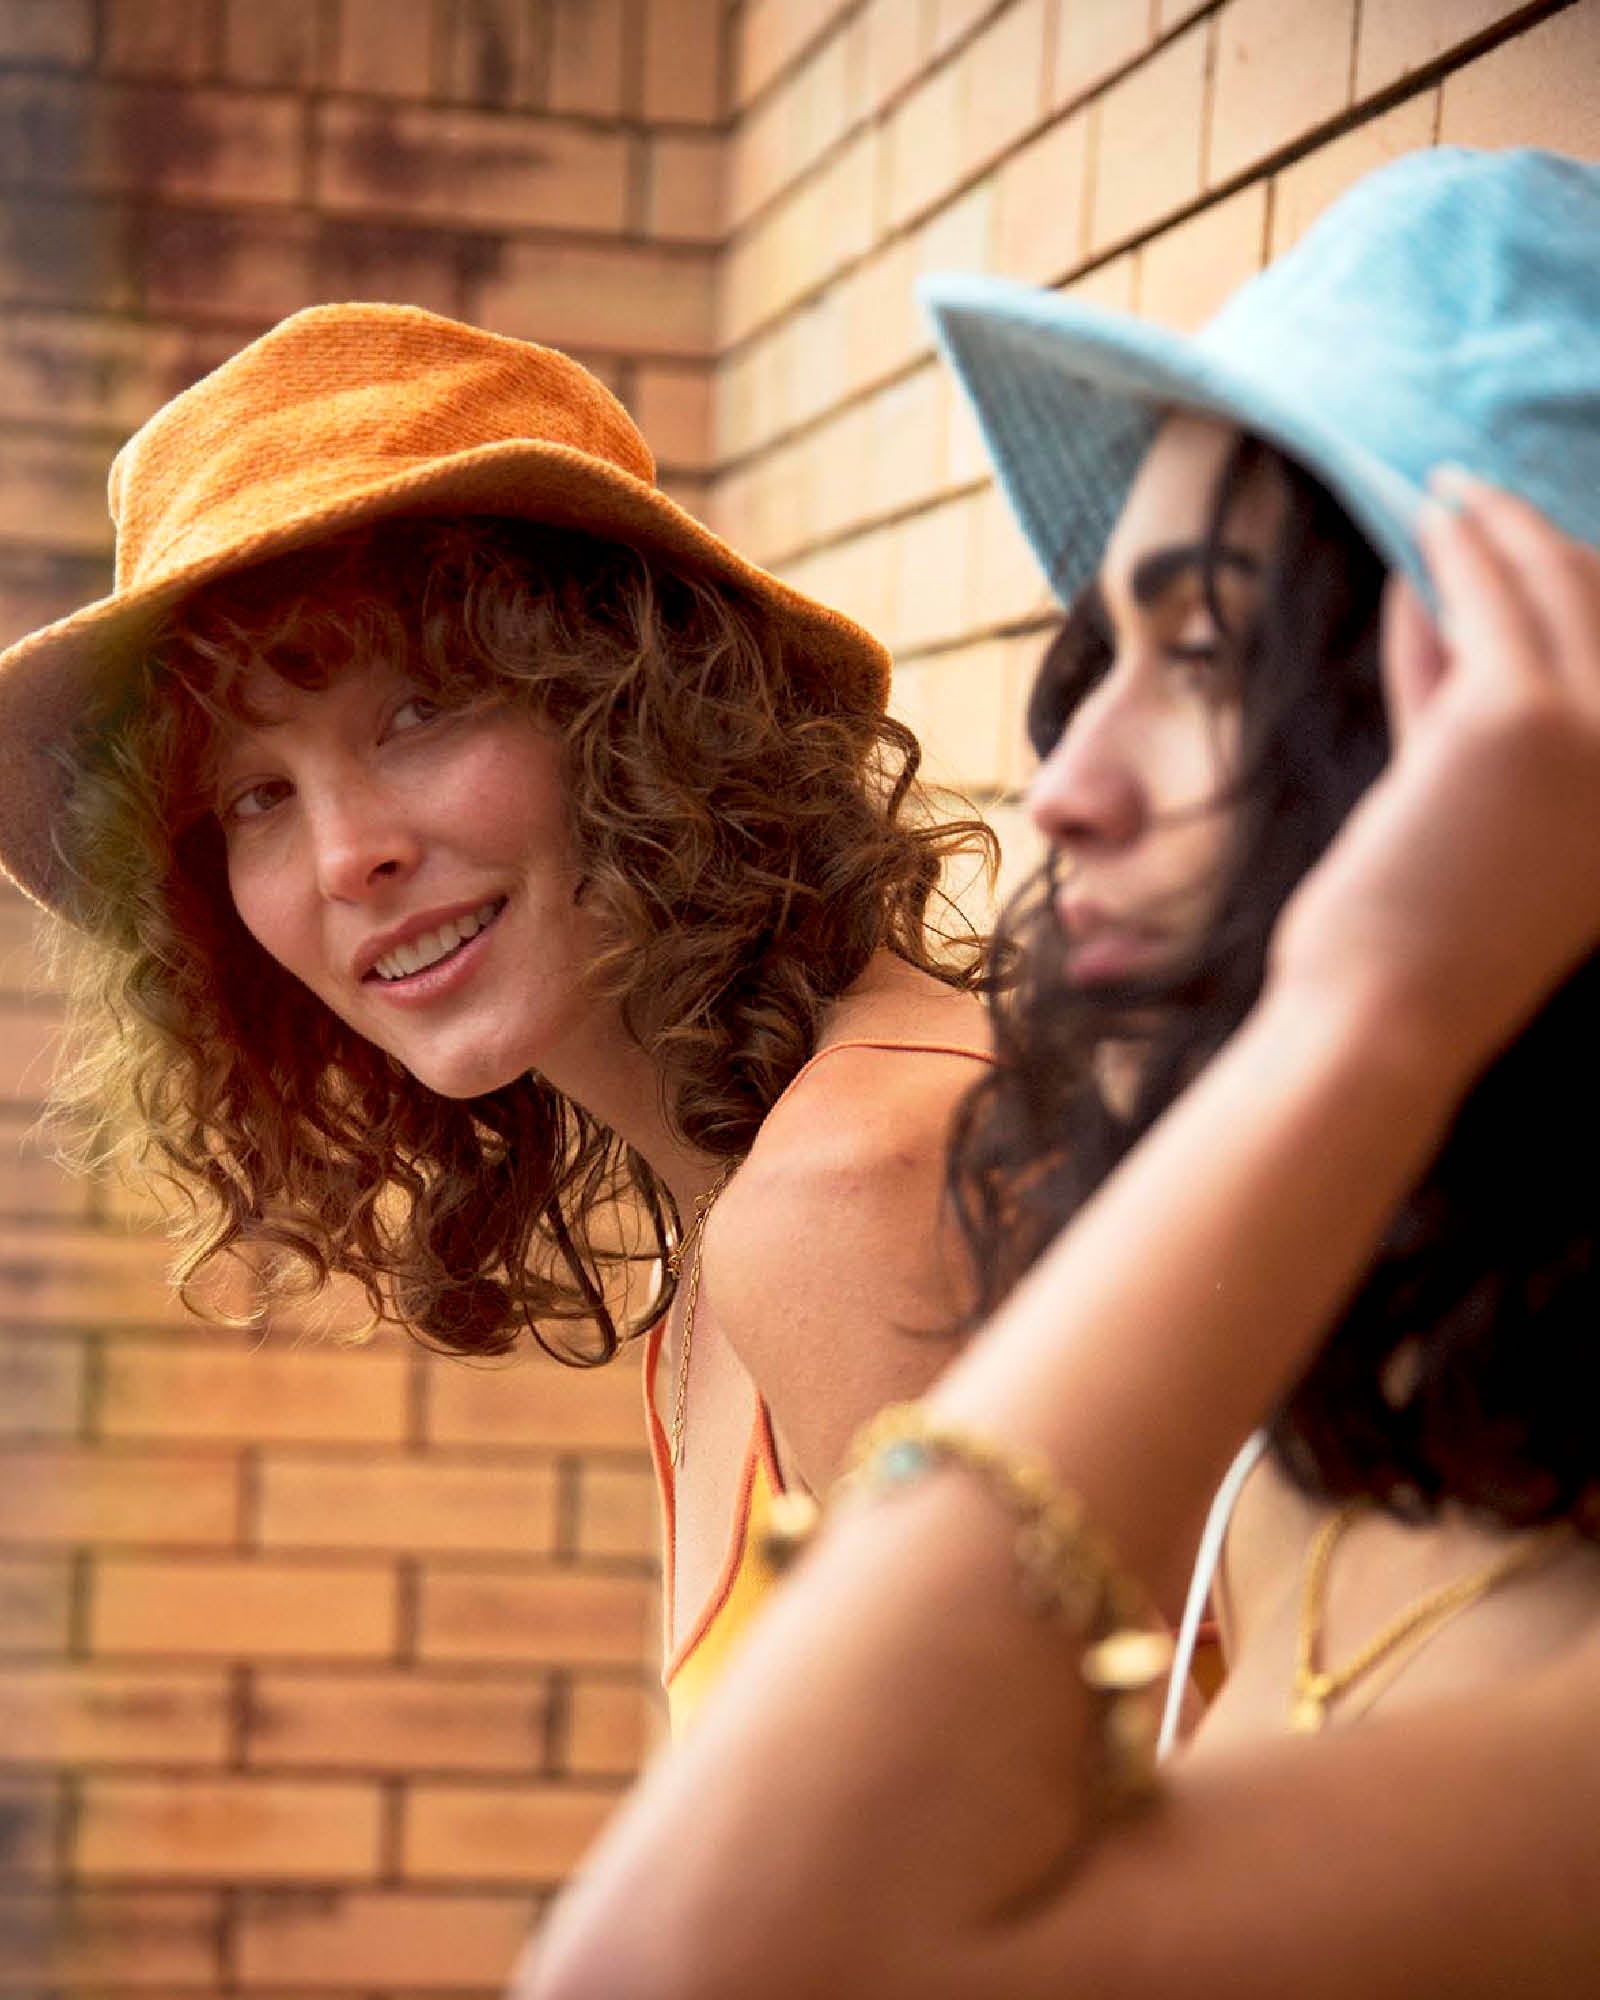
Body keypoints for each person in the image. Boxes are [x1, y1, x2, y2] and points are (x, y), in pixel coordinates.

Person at [519, 147, 1600, 1996]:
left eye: (1208, 654)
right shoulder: (1315, 1482)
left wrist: (1369, 1010)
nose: (1066, 781)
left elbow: (705, 1962)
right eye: (1105, 649)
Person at [0, 302, 994, 1734]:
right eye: (254, 797)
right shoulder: (736, 1231)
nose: (347, 858)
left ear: (640, 707)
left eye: (420, 712)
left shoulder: (859, 1190)